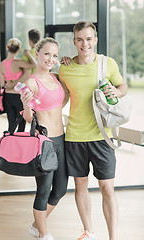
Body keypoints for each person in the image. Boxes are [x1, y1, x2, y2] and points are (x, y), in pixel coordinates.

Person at [58, 21, 128, 240]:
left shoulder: (107, 63)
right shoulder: (65, 68)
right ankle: (89, 232)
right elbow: (62, 97)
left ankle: (113, 237)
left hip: (102, 136)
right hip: (74, 136)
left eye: (89, 39)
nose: (84, 43)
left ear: (95, 40)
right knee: (80, 184)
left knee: (107, 187)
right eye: (79, 39)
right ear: (74, 42)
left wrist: (116, 92)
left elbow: (122, 86)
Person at [20, 37, 68, 240]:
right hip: (44, 143)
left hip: (61, 139)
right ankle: (43, 233)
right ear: (37, 53)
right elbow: (29, 118)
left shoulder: (56, 77)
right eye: (47, 53)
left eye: (55, 55)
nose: (51, 59)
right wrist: (26, 105)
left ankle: (35, 225)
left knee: (61, 189)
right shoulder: (31, 82)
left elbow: (61, 101)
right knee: (43, 190)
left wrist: (67, 62)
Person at [0, 37, 37, 132]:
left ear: (7, 48)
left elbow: (3, 84)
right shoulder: (18, 63)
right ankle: (18, 144)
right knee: (21, 125)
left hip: (7, 96)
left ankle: (9, 143)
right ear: (18, 50)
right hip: (18, 96)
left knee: (11, 124)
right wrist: (28, 54)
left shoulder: (1, 65)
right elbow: (35, 65)